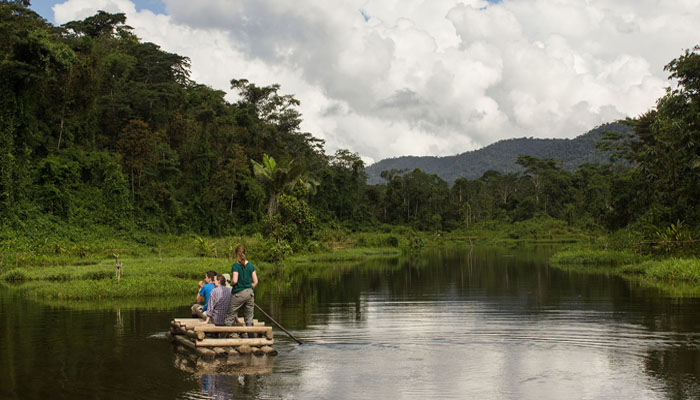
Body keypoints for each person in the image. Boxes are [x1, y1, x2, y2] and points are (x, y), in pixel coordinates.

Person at [225, 245, 258, 327]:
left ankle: (224, 336)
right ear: (245, 253)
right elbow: (256, 281)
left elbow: (235, 280)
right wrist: (249, 288)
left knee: (230, 317)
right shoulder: (250, 265)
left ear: (236, 253)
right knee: (249, 318)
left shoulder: (236, 266)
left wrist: (231, 283)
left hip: (238, 294)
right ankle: (251, 338)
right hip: (250, 293)